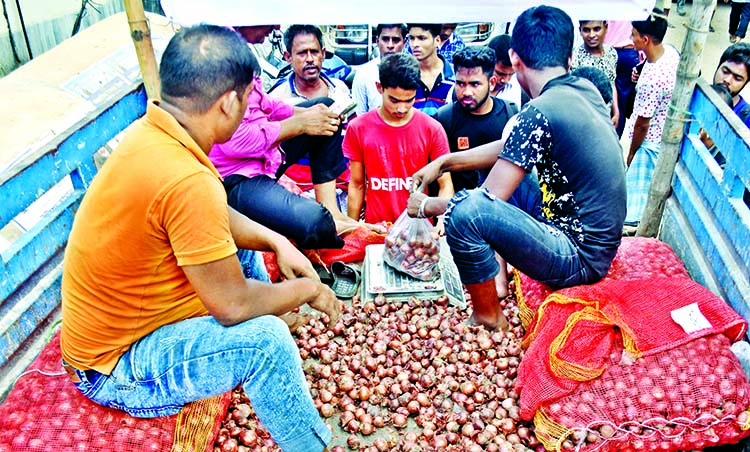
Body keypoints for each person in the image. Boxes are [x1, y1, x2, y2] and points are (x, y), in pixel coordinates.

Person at [60, 25, 339, 452]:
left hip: (122, 330)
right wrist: (309, 289)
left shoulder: (156, 133)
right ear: (229, 104)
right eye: (249, 100)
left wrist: (275, 242)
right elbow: (232, 308)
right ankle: (311, 446)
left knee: (244, 255)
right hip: (114, 368)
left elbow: (216, 215)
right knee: (265, 342)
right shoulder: (187, 177)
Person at [408, 5, 626, 330]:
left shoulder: (538, 112)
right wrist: (444, 162)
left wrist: (427, 205)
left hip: (578, 257)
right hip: (595, 242)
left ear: (514, 59)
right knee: (497, 176)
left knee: (467, 215)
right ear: (569, 59)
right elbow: (512, 147)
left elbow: (482, 208)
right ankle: (495, 283)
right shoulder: (584, 90)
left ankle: (488, 316)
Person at [211, 26, 364, 250]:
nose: (275, 27)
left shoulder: (241, 49)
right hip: (237, 177)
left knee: (326, 112)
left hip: (264, 158)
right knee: (317, 223)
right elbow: (235, 141)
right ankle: (328, 221)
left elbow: (265, 104)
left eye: (314, 52)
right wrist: (301, 123)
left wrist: (308, 115)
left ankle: (332, 209)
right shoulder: (220, 55)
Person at [344, 53, 453, 226]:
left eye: (409, 100)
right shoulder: (358, 128)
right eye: (394, 100)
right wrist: (352, 229)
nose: (401, 108)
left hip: (419, 231)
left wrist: (442, 221)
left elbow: (445, 183)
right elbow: (357, 185)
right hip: (376, 229)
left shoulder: (432, 128)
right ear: (380, 88)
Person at [434, 46, 517, 192]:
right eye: (460, 83)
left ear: (491, 83)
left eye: (475, 84)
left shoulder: (510, 114)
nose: (466, 92)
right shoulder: (445, 118)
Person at [625, 9, 680, 227]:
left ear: (645, 39)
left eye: (633, 34)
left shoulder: (652, 81)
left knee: (635, 203)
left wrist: (631, 152)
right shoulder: (671, 54)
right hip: (663, 134)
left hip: (649, 142)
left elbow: (642, 124)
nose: (631, 38)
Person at [269, 24, 352, 105]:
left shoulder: (340, 89)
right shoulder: (277, 100)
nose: (310, 59)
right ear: (288, 57)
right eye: (302, 53)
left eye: (314, 52)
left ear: (323, 54)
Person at [572, 20, 620, 127]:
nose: (591, 35)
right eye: (586, 30)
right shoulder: (574, 58)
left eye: (596, 29)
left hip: (605, 117)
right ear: (580, 30)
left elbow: (611, 83)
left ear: (606, 27)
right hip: (583, 120)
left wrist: (616, 112)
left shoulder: (611, 53)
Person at [351, 24, 407, 116]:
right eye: (385, 39)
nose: (390, 45)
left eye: (395, 40)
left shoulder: (412, 73)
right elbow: (359, 117)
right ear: (377, 41)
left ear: (404, 42)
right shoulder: (364, 74)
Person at [407, 23, 456, 116]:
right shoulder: (404, 77)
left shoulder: (455, 75)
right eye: (412, 38)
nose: (415, 44)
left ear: (437, 40)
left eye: (422, 38)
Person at [603, 20, 641, 137]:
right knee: (621, 103)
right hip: (630, 51)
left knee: (602, 98)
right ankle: (614, 140)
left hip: (607, 50)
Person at [487, 34, 529, 110]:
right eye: (500, 73)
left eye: (511, 74)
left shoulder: (521, 90)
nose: (505, 80)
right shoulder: (470, 86)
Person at [712, 42, 750, 127]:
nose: (727, 80)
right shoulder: (693, 94)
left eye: (737, 78)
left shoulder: (747, 119)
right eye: (725, 71)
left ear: (746, 83)